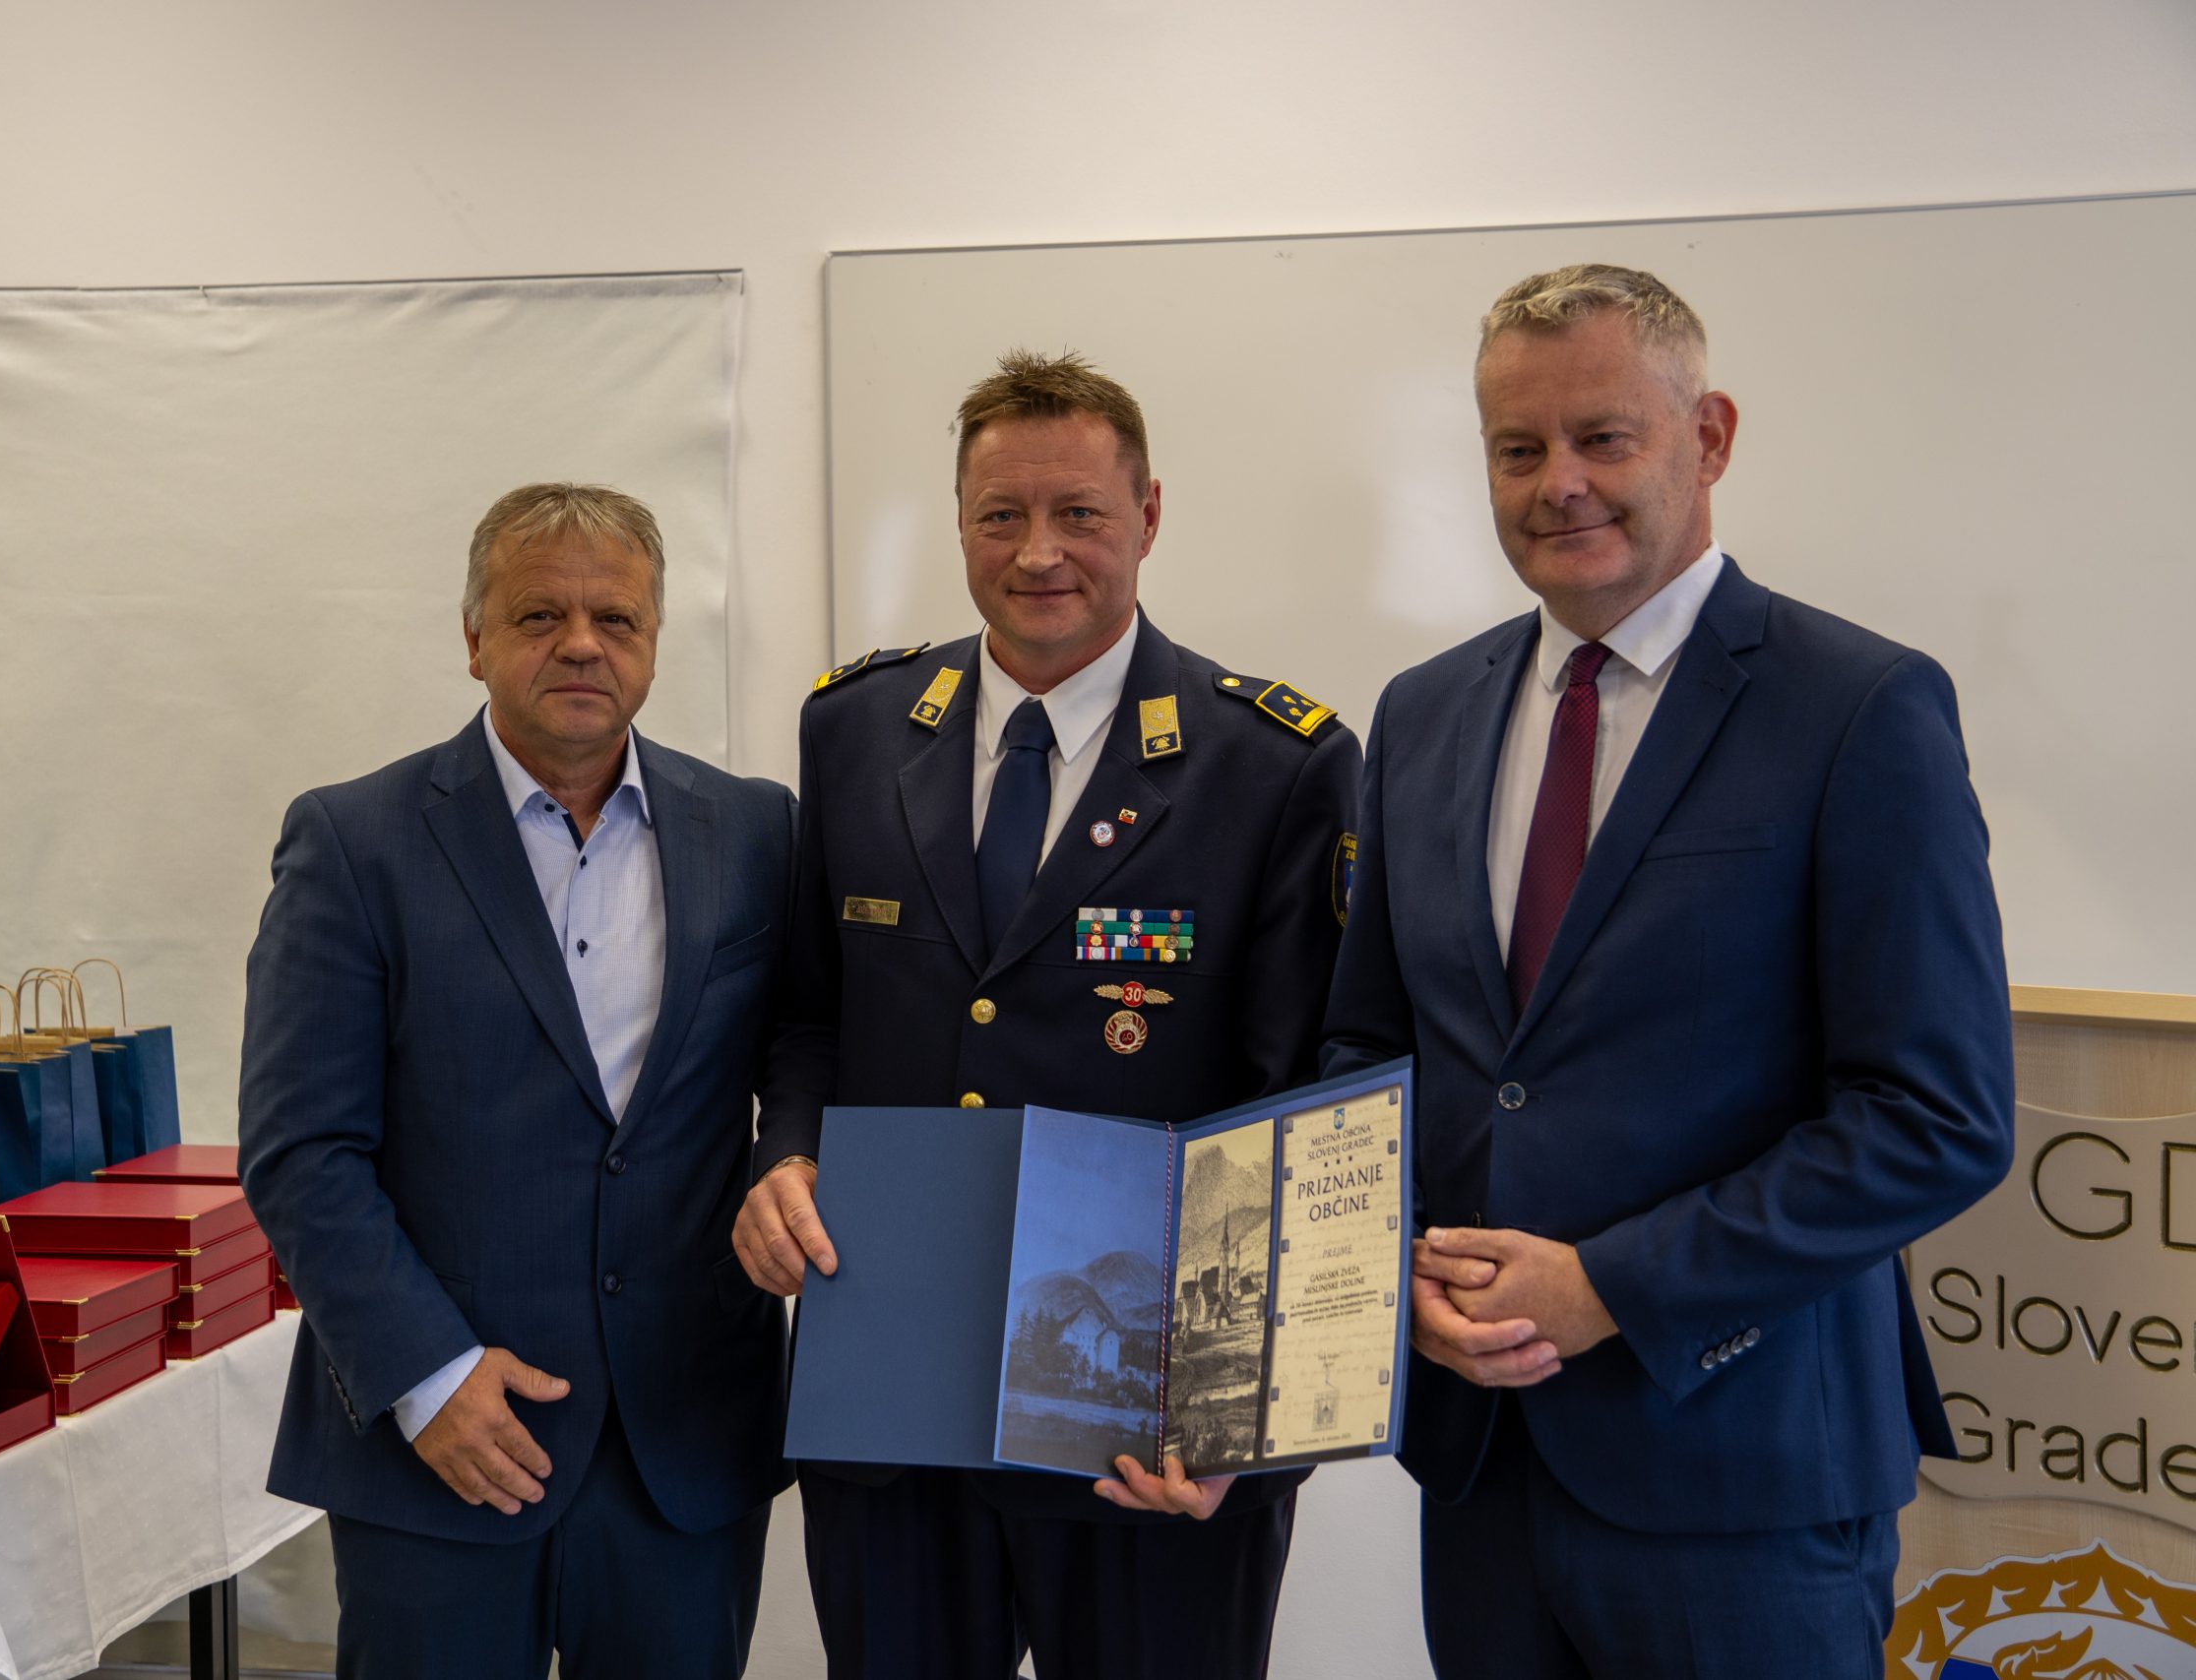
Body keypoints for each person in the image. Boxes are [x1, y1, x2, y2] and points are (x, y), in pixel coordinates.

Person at [1320, 264, 2015, 1675]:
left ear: (1709, 437)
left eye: (1602, 437)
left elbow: (1935, 1116)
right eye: (1518, 449)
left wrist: (1614, 1286)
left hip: (1744, 1477)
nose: (1558, 483)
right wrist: (1389, 1269)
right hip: (1482, 1470)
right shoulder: (1423, 711)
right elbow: (1368, 1051)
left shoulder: (1859, 707)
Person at [736, 350, 1361, 1679]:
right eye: (1000, 515)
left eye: (1079, 512)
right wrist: (782, 1153)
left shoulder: (1274, 763)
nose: (1038, 553)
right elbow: (808, 1020)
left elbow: (1299, 1111)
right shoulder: (855, 729)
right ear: (960, 524)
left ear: (1148, 514)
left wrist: (1244, 1425)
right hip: (891, 1392)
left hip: (1144, 1426)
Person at [238, 483, 795, 1680]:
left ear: (654, 642)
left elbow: (801, 1055)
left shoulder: (757, 833)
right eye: (541, 614)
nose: (582, 643)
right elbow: (301, 1151)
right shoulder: (354, 841)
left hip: (682, 1438)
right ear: (473, 637)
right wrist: (426, 1378)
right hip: (439, 1439)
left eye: (616, 618)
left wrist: (788, 1162)